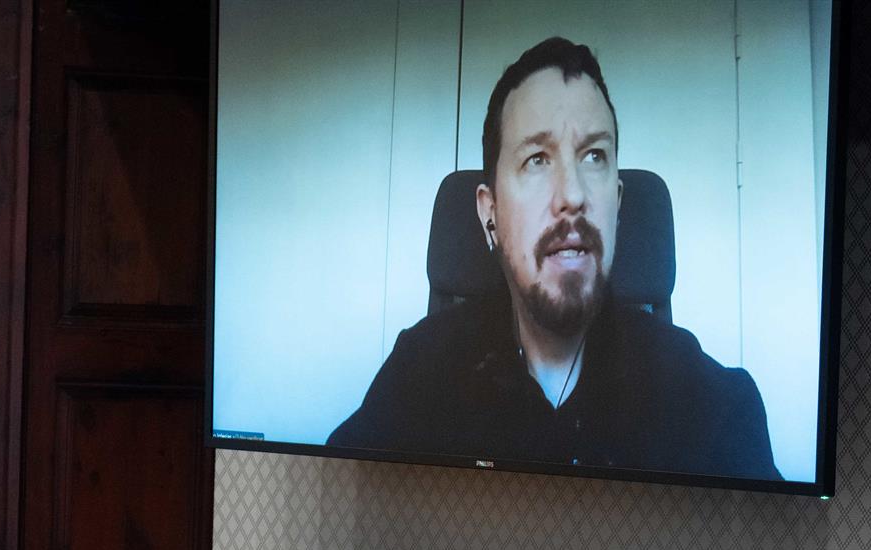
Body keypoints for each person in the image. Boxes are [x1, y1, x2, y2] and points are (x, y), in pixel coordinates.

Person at [327, 38, 780, 481]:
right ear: (491, 214)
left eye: (595, 156)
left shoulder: (710, 406)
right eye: (537, 159)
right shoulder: (418, 379)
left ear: (617, 205)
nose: (573, 195)